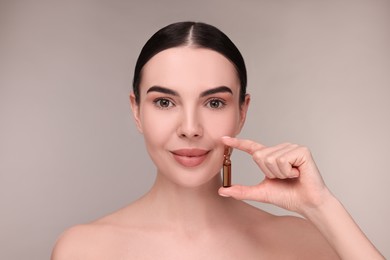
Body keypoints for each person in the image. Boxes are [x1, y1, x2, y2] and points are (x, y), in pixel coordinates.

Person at [51, 21, 384, 259]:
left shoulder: (305, 242)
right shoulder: (84, 249)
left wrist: (322, 206)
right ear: (136, 111)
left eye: (214, 103)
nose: (191, 128)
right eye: (165, 102)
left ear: (242, 112)